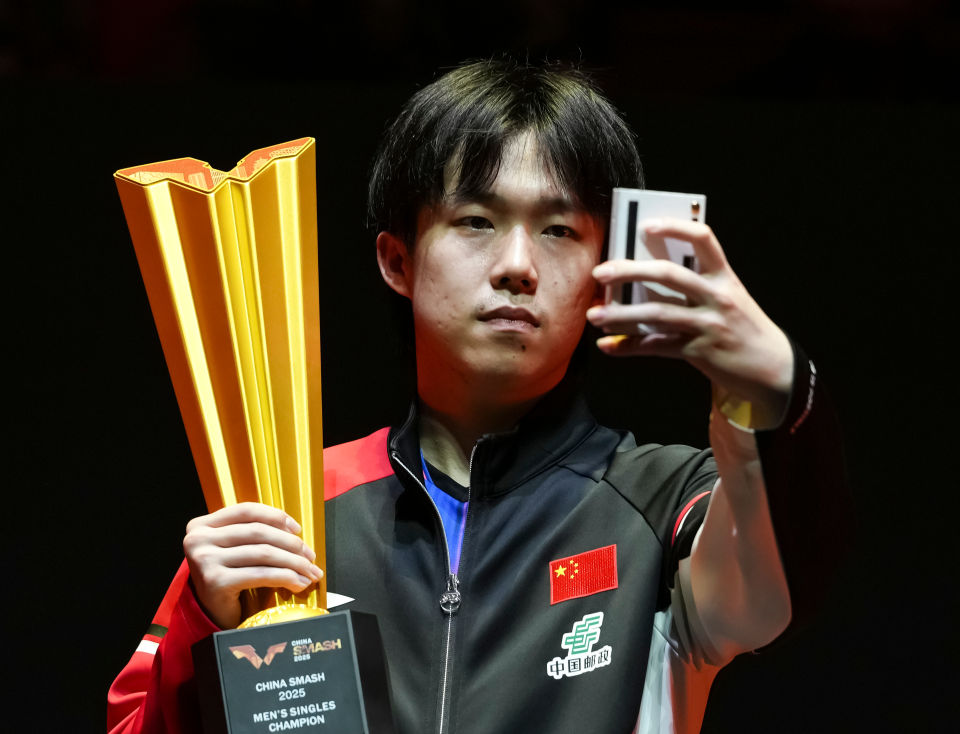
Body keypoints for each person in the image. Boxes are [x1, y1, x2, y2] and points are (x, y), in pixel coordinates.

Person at [108, 59, 848, 734]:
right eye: (476, 221)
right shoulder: (291, 507)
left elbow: (765, 596)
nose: (518, 264)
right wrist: (203, 624)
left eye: (559, 229)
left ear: (605, 275)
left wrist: (771, 386)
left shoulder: (662, 505)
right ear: (398, 260)